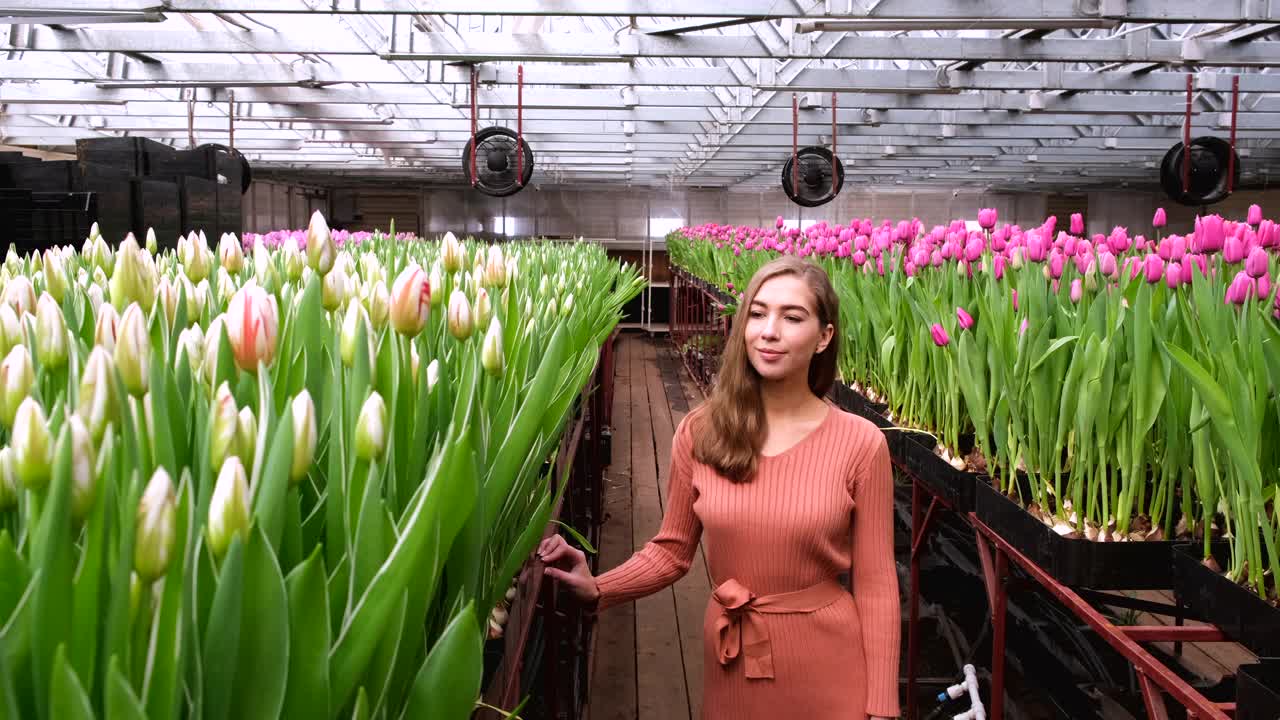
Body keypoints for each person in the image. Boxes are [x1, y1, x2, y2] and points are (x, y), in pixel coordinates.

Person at [539, 255, 901, 720]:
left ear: (824, 336)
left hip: (828, 659)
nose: (769, 331)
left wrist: (883, 705)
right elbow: (671, 551)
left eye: (792, 318)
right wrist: (597, 587)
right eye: (757, 313)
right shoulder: (702, 432)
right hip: (733, 651)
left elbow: (875, 585)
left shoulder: (861, 443)